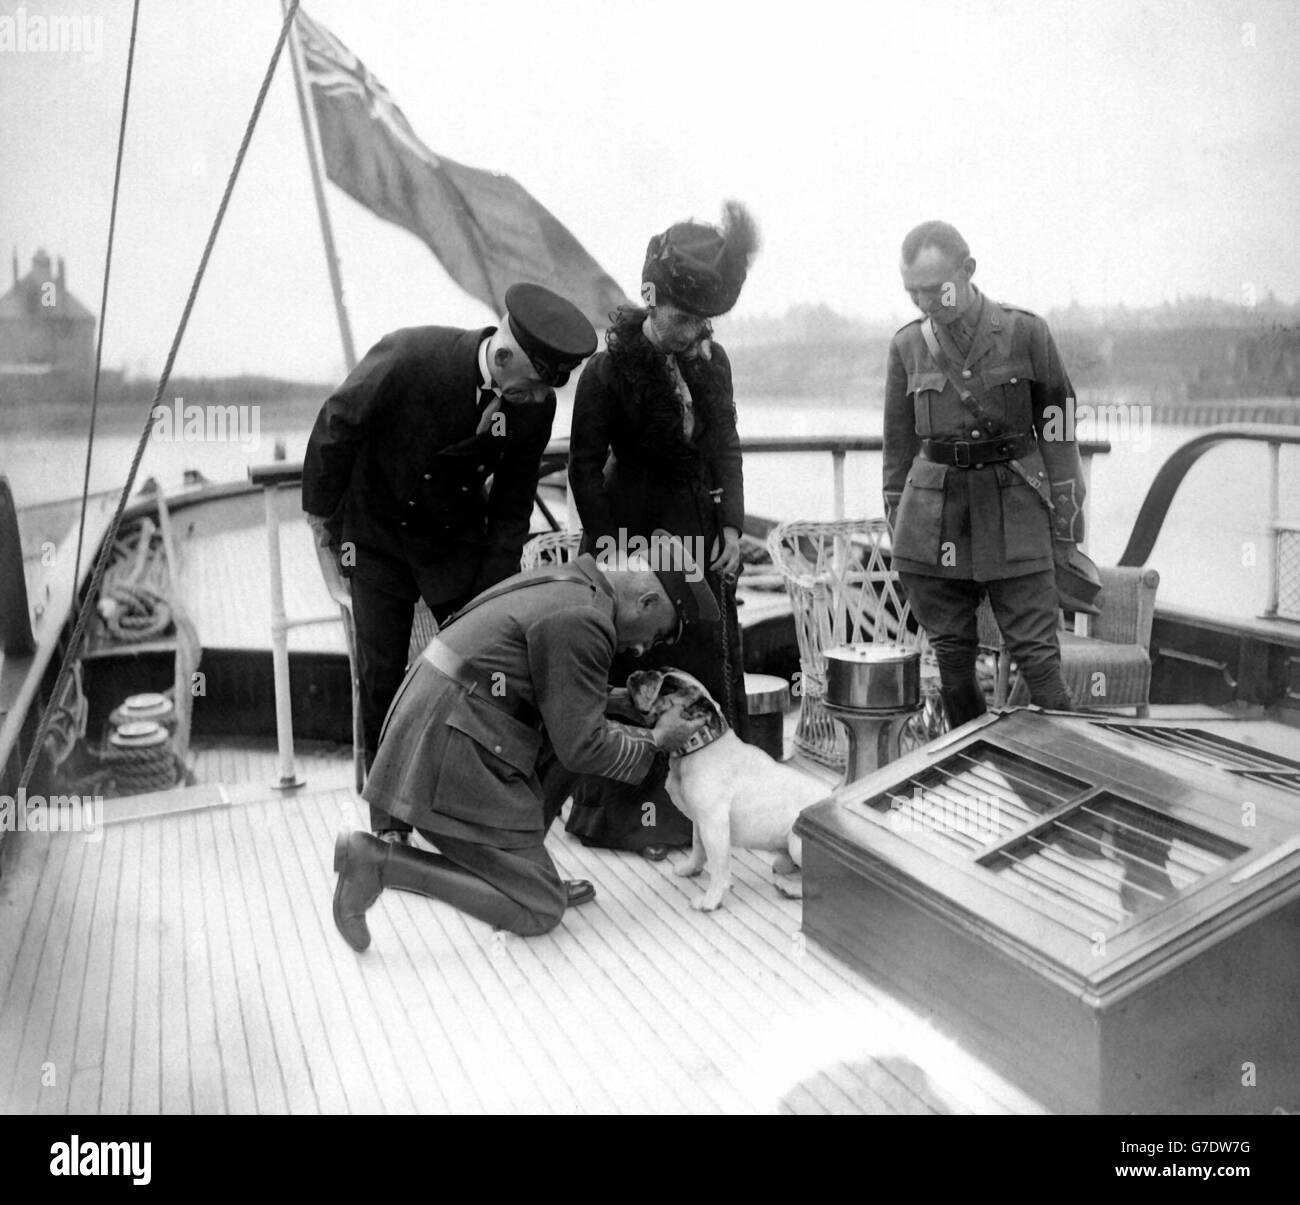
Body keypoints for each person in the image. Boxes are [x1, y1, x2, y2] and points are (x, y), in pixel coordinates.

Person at [302, 283, 597, 843]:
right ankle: (389, 827)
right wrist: (322, 524)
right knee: (382, 675)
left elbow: (511, 507)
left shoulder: (536, 404)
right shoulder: (411, 356)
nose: (538, 401)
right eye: (533, 387)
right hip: (377, 538)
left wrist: (495, 597)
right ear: (505, 357)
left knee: (495, 674)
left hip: (452, 544)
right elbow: (336, 424)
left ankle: (494, 808)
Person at [331, 537, 719, 948]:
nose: (641, 649)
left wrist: (619, 700)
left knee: (583, 732)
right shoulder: (585, 619)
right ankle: (379, 863)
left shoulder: (574, 584)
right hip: (447, 751)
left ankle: (525, 873)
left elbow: (547, 683)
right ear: (646, 601)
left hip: (443, 724)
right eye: (656, 636)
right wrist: (658, 738)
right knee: (541, 910)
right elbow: (583, 747)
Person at [564, 202, 760, 859]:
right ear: (651, 302)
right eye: (679, 318)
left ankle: (704, 816)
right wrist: (614, 551)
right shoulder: (607, 368)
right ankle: (637, 820)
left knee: (704, 666)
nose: (689, 331)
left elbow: (726, 444)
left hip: (698, 536)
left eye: (700, 320)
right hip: (633, 539)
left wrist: (732, 525)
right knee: (645, 672)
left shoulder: (713, 361)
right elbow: (584, 467)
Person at [882, 220, 1085, 728]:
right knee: (953, 665)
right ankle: (970, 779)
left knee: (1042, 666)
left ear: (968, 270)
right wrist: (899, 522)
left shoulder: (1025, 332)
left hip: (1015, 511)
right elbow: (898, 448)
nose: (925, 303)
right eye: (913, 293)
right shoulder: (907, 347)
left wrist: (1066, 520)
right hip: (935, 519)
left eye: (935, 289)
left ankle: (1064, 778)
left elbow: (1057, 428)